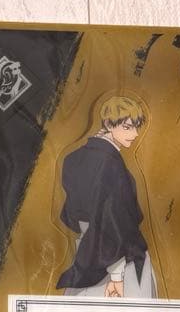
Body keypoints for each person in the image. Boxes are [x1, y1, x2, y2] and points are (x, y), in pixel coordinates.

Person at [56, 95, 158, 298]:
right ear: (109, 124)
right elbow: (111, 222)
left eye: (136, 127)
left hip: (86, 255)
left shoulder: (72, 158)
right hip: (117, 261)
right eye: (128, 127)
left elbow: (74, 215)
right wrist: (117, 276)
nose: (135, 134)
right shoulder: (110, 164)